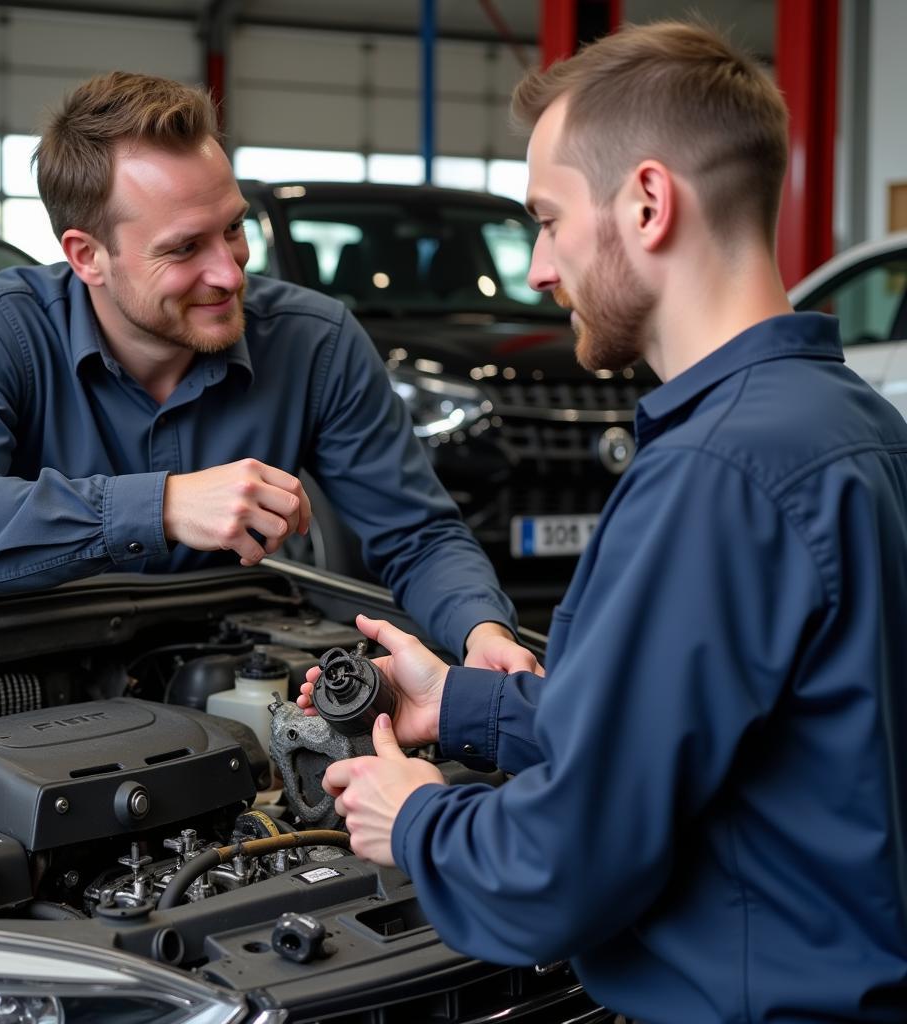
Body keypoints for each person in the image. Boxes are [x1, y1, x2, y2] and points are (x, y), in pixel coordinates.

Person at [300, 21, 907, 1022]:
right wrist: (463, 706)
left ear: (648, 202)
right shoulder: (851, 426)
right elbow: (721, 737)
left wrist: (411, 814)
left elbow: (555, 868)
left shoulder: (715, 476)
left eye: (547, 219)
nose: (538, 266)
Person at [0, 71, 535, 673]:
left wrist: (483, 633)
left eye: (234, 229)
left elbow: (417, 537)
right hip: (36, 690)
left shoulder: (316, 341)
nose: (229, 272)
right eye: (185, 248)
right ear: (88, 256)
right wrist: (161, 506)